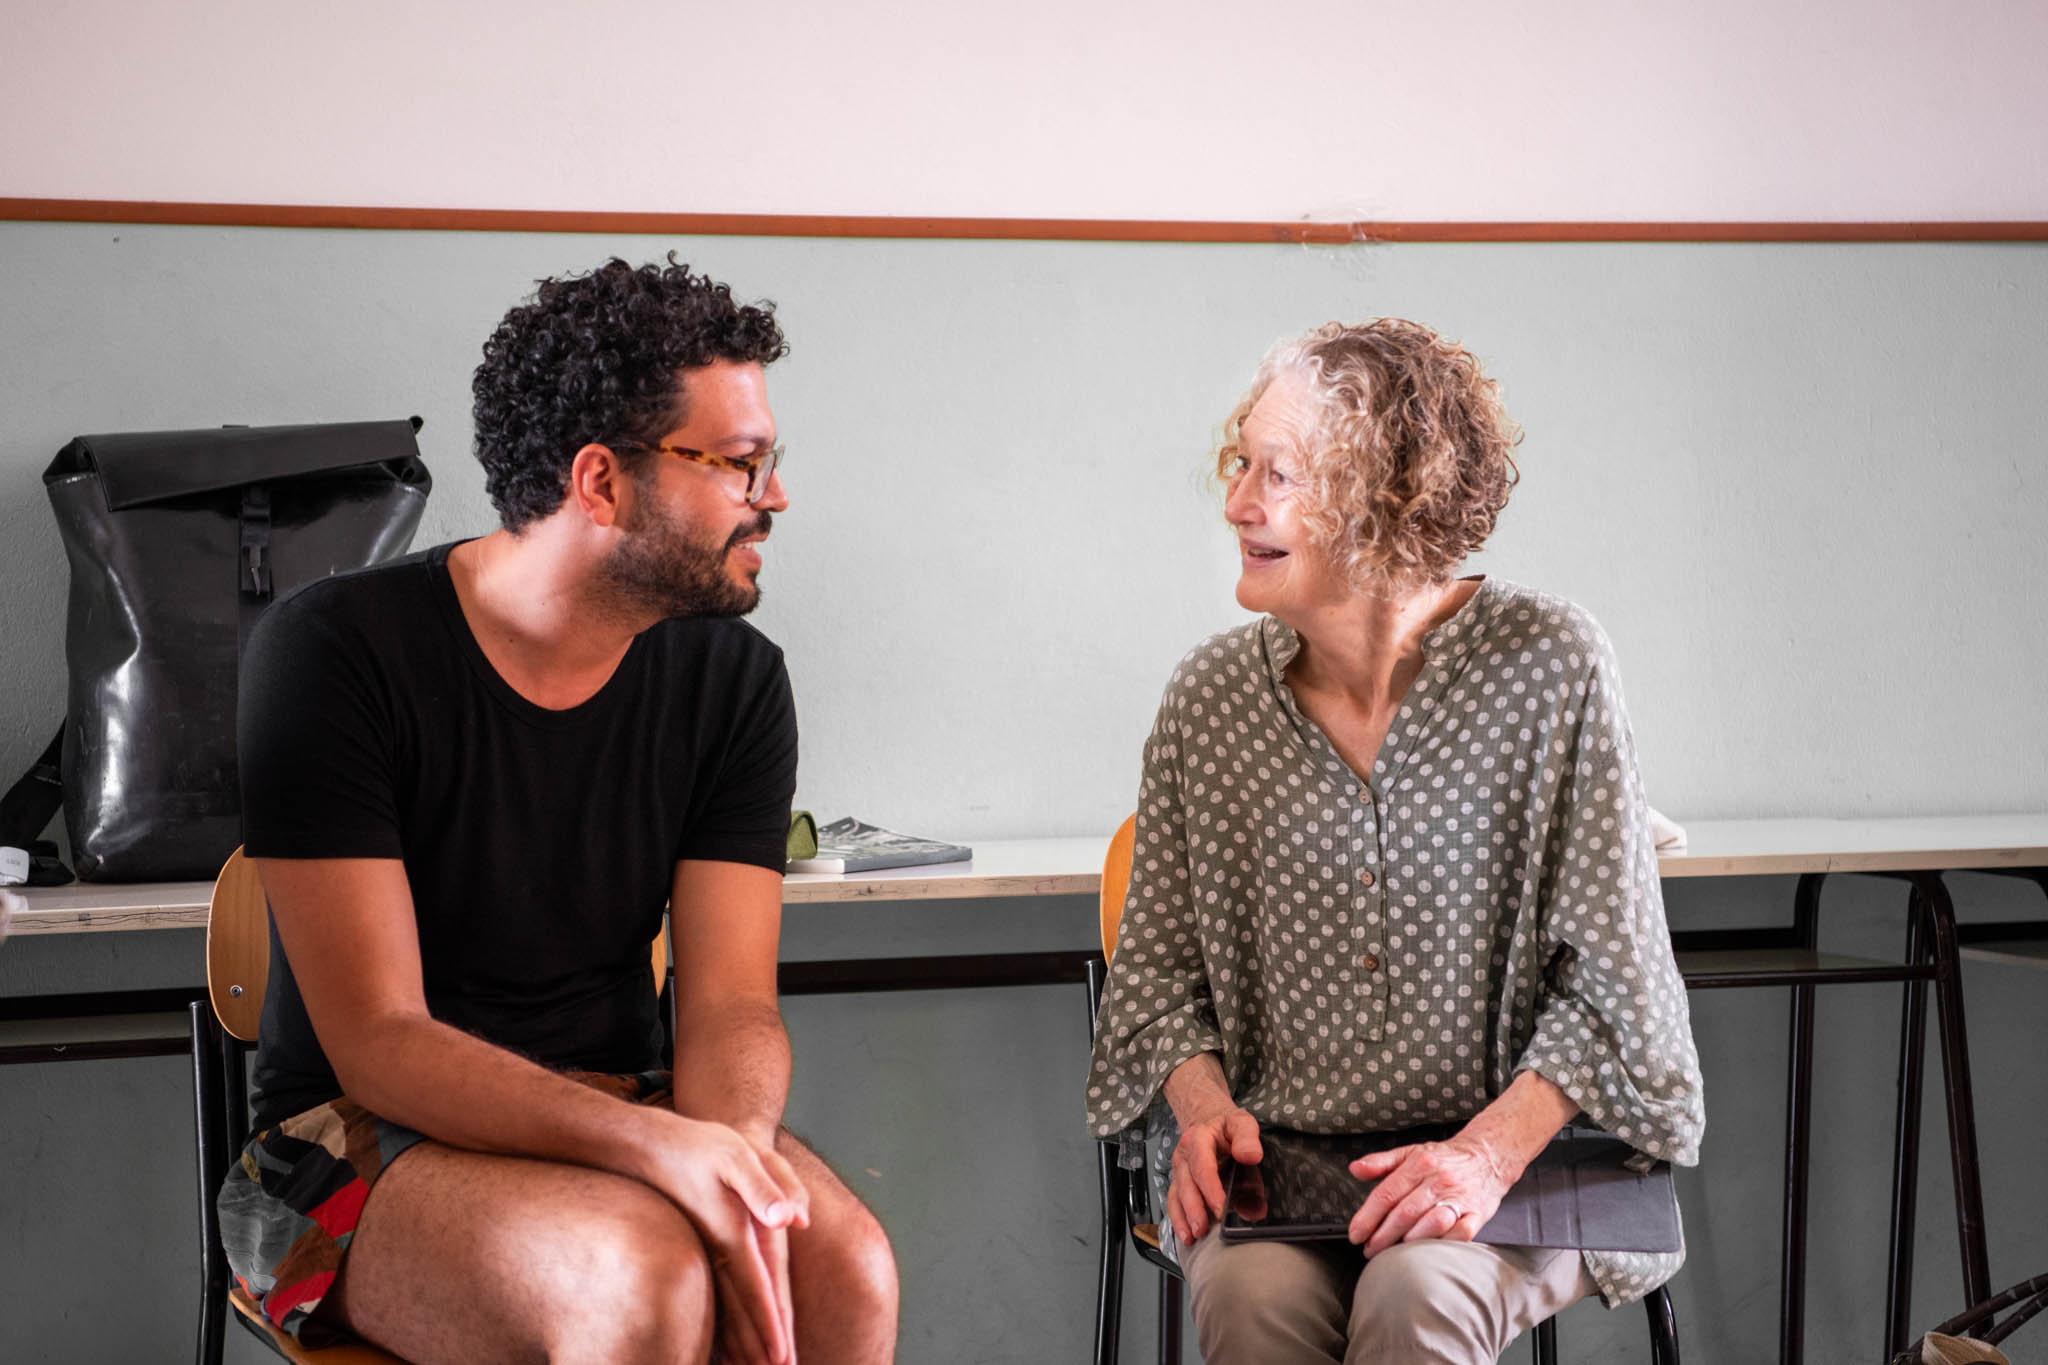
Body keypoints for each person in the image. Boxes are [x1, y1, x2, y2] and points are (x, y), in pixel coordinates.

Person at [222, 258, 897, 1365]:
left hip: (627, 1105)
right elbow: (380, 1043)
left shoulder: (734, 680)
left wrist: (729, 1154)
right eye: (740, 464)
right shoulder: (331, 653)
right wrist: (652, 1148)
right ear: (600, 482)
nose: (772, 497)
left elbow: (729, 1007)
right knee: (641, 1280)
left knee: (846, 1271)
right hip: (337, 1149)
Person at [1085, 319, 1704, 1365]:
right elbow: (1154, 980)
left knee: (1414, 1297)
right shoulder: (1210, 700)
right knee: (1249, 1302)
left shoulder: (1550, 663)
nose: (1237, 503)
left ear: (1383, 501)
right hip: (1285, 1170)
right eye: (1240, 464)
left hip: (1521, 1161)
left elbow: (1617, 986)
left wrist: (1482, 1157)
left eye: (1276, 474)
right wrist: (1201, 1108)